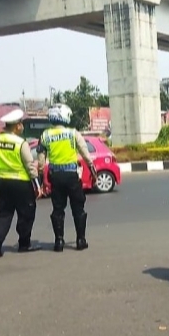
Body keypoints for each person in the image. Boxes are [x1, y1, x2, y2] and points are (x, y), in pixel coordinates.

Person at [0, 109, 43, 259]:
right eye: (20, 123)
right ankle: (24, 244)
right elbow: (29, 165)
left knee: (3, 214)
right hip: (21, 183)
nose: (22, 126)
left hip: (1, 182)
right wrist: (37, 185)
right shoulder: (21, 143)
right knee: (26, 214)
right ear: (16, 126)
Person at [37, 104, 98, 252]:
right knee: (78, 207)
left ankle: (59, 241)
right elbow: (85, 154)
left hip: (55, 176)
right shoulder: (73, 133)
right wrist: (92, 171)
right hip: (71, 175)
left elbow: (40, 162)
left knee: (58, 208)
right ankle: (80, 240)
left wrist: (41, 180)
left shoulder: (45, 135)